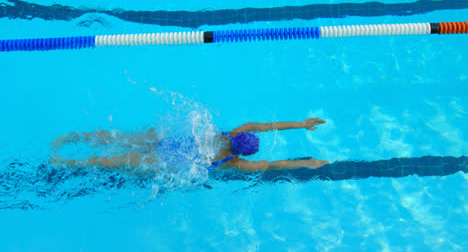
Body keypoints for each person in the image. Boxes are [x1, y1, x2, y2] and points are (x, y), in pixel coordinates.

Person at [51, 117, 329, 172]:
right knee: (114, 162)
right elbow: (273, 165)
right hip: (169, 163)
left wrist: (301, 124)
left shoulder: (229, 132)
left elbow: (265, 126)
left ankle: (73, 138)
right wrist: (306, 162)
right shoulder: (235, 163)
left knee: (120, 139)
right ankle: (67, 162)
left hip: (169, 142)